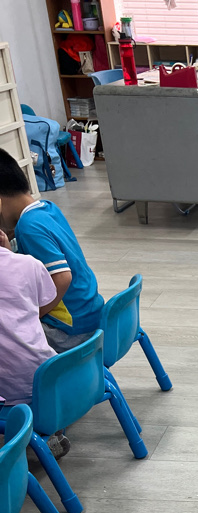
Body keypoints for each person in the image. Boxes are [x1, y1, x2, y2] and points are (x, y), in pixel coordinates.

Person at [0, 147, 103, 352]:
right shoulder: (47, 208)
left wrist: (35, 314)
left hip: (71, 330)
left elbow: (63, 278)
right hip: (93, 313)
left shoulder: (28, 226)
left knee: (8, 333)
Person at [0, 233, 71, 458]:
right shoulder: (29, 264)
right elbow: (43, 301)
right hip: (48, 375)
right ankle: (50, 432)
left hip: (9, 390)